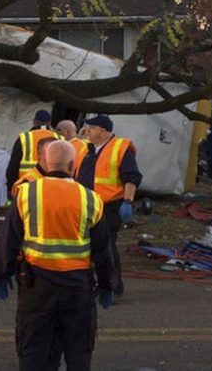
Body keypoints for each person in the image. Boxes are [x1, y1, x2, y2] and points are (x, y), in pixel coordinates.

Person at [0, 140, 116, 371]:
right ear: (73, 166)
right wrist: (108, 283)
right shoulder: (90, 199)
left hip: (37, 285)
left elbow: (8, 240)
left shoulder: (26, 194)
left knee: (34, 350)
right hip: (77, 287)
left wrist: (1, 272)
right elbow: (103, 248)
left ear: (46, 164)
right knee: (78, 351)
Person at [75, 114, 141, 298]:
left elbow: (132, 177)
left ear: (103, 131)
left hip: (109, 206)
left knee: (106, 246)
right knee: (88, 248)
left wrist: (128, 201)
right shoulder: (87, 149)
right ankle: (93, 285)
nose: (88, 131)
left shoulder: (120, 148)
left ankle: (112, 287)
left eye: (92, 128)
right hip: (87, 206)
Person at [5, 109, 61, 193]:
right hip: (50, 189)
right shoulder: (60, 139)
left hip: (24, 187)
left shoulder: (24, 138)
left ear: (34, 122)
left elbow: (13, 166)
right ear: (49, 123)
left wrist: (11, 186)